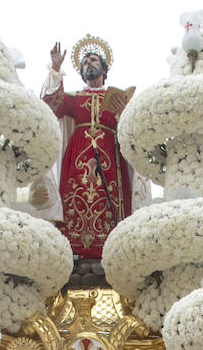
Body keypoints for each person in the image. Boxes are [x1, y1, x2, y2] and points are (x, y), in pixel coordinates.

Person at [40, 36, 136, 259]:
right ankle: (73, 249)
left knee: (109, 196)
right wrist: (56, 69)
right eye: (84, 63)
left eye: (93, 61)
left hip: (110, 153)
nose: (88, 65)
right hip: (78, 155)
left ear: (104, 68)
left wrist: (124, 113)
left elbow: (131, 129)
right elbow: (50, 106)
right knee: (75, 193)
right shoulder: (74, 98)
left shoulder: (116, 98)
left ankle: (110, 248)